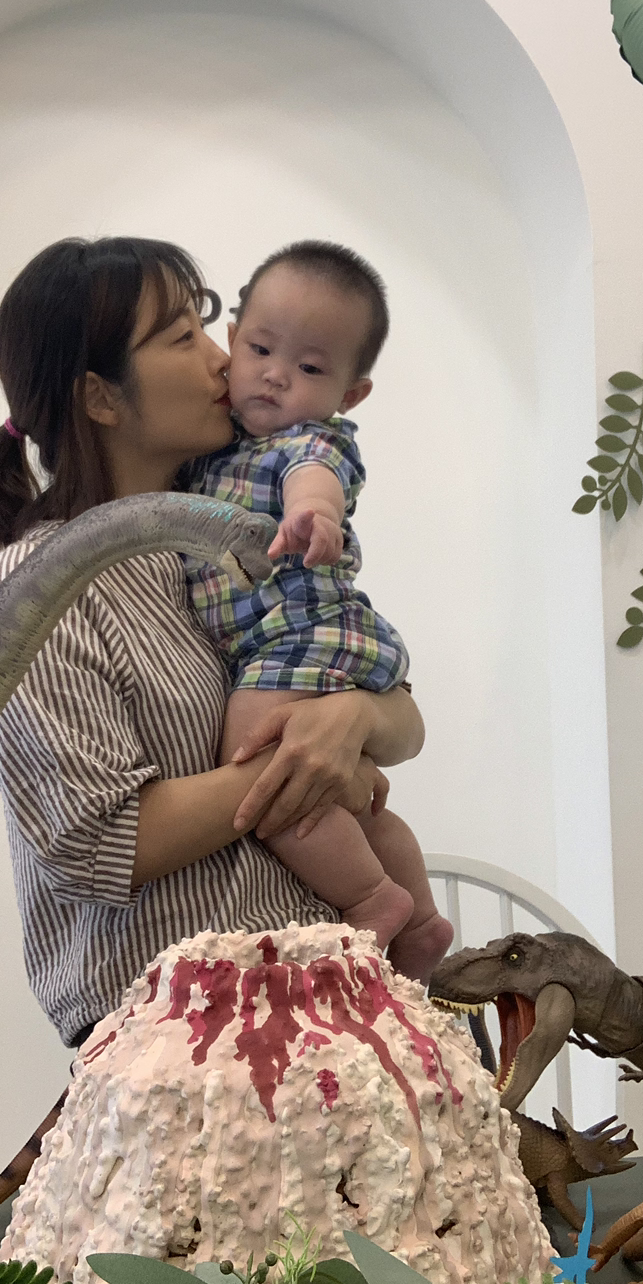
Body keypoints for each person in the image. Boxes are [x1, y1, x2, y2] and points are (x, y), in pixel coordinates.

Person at [0, 236, 425, 1047]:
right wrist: (300, 763)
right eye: (183, 336)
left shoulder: (229, 536)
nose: (223, 359)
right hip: (180, 1040)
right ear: (101, 398)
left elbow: (402, 720)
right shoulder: (36, 586)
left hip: (333, 994)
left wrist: (349, 721)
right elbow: (96, 841)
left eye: (210, 325)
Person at [187, 241, 453, 982]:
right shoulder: (210, 451)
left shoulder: (308, 439)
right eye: (260, 349)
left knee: (256, 757)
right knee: (355, 805)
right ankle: (421, 921)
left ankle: (371, 899)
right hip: (287, 640)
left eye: (308, 368)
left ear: (351, 394)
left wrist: (315, 515)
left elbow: (314, 477)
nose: (276, 375)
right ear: (232, 339)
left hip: (299, 634)